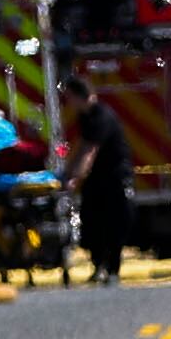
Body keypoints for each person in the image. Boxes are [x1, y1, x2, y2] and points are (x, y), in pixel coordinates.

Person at [59, 73, 131, 285]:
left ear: (79, 96)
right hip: (97, 177)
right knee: (91, 221)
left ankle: (112, 269)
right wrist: (67, 171)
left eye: (70, 97)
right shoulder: (86, 117)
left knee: (114, 223)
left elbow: (90, 151)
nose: (68, 103)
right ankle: (99, 264)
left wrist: (74, 179)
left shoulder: (101, 116)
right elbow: (81, 146)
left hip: (114, 176)